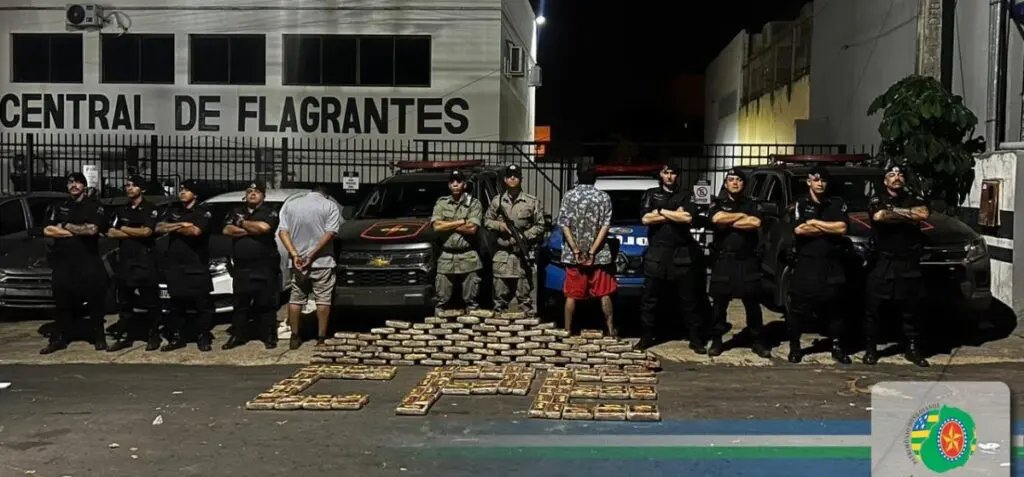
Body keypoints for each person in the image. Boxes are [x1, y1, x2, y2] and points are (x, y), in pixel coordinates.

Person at [863, 163, 931, 367]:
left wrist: (896, 211)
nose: (897, 177)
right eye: (892, 175)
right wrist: (907, 214)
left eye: (900, 174)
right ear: (885, 181)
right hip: (884, 261)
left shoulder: (914, 198)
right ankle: (871, 349)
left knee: (910, 309)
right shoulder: (876, 199)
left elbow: (923, 214)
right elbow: (880, 216)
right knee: (874, 308)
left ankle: (912, 349)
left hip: (908, 262)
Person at [39, 172, 110, 354]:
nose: (74, 185)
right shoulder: (61, 206)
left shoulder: (94, 206)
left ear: (84, 186)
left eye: (78, 182)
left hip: (88, 262)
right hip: (64, 263)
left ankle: (98, 337)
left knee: (95, 302)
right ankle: (60, 338)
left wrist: (66, 226)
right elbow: (48, 230)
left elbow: (93, 229)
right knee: (62, 302)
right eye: (71, 182)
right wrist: (78, 229)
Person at [786, 166, 851, 364]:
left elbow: (842, 227)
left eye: (823, 180)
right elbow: (800, 230)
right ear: (809, 182)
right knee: (798, 309)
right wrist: (827, 228)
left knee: (835, 309)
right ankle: (795, 347)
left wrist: (815, 222)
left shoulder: (836, 203)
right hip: (807, 264)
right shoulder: (800, 203)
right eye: (816, 180)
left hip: (832, 265)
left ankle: (837, 347)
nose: (820, 183)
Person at [637, 163, 705, 351]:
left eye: (673, 173)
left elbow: (688, 218)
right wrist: (675, 213)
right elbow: (645, 219)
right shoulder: (651, 194)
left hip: (681, 253)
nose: (669, 176)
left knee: (689, 299)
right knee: (650, 299)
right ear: (660, 174)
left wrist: (660, 211)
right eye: (666, 173)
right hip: (657, 253)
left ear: (678, 176)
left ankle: (695, 339)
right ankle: (647, 337)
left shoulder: (686, 194)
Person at [707, 168, 769, 357]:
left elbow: (755, 223)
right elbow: (717, 219)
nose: (735, 183)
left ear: (744, 184)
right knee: (719, 304)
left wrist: (730, 221)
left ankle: (757, 340)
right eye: (731, 179)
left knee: (752, 303)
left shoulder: (753, 204)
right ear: (726, 184)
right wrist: (741, 216)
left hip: (747, 260)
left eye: (739, 180)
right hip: (724, 260)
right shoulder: (717, 204)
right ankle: (717, 341)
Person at [278, 184, 342, 349]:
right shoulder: (329, 206)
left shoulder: (292, 205)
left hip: (298, 263)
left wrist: (294, 254)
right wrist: (311, 254)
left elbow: (282, 231)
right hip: (322, 262)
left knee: (295, 298)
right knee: (323, 299)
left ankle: (294, 335)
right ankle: (321, 337)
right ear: (326, 195)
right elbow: (330, 233)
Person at [106, 175, 164, 352]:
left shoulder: (150, 209)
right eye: (128, 185)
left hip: (144, 260)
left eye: (133, 186)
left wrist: (123, 228)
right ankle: (124, 336)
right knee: (125, 302)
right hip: (126, 261)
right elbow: (110, 233)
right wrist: (133, 231)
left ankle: (153, 335)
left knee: (150, 301)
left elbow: (147, 232)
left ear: (142, 189)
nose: (129, 188)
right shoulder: (121, 210)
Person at [557, 163, 617, 336]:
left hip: (573, 254)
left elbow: (564, 225)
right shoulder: (603, 197)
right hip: (599, 255)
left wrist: (575, 250)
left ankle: (567, 331)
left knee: (571, 294)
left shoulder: (569, 197)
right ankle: (611, 330)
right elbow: (605, 226)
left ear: (577, 175)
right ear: (595, 177)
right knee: (604, 292)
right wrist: (592, 251)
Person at [221, 180, 282, 350]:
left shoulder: (270, 211)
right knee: (241, 304)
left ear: (263, 195)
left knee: (266, 303)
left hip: (264, 266)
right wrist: (250, 229)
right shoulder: (236, 211)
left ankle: (269, 335)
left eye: (256, 192)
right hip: (242, 267)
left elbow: (264, 228)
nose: (253, 194)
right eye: (249, 191)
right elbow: (226, 230)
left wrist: (240, 224)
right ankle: (238, 335)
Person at [156, 179, 215, 352]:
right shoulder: (174, 211)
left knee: (201, 304)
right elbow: (159, 227)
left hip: (195, 266)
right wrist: (181, 224)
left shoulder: (203, 212)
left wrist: (173, 228)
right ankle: (177, 337)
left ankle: (203, 337)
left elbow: (195, 231)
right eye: (181, 189)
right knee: (176, 305)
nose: (182, 192)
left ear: (195, 194)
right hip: (175, 266)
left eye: (186, 190)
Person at [484, 164, 546, 313]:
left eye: (516, 176)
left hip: (521, 257)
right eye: (510, 176)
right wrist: (500, 225)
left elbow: (540, 225)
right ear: (505, 179)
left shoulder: (531, 202)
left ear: (521, 179)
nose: (513, 178)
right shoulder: (497, 201)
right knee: (499, 300)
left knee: (525, 300)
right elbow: (486, 221)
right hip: (502, 256)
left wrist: (524, 236)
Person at [431, 170, 484, 314]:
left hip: (468, 254)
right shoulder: (442, 202)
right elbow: (436, 226)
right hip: (446, 256)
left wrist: (447, 223)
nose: (455, 184)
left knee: (472, 300)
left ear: (464, 184)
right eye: (452, 181)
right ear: (449, 185)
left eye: (458, 181)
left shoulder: (474, 203)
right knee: (441, 299)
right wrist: (461, 221)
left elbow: (472, 228)